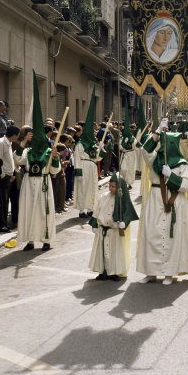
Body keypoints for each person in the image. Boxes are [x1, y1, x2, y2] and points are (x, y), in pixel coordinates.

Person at [136, 118, 188, 285]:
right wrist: (156, 132)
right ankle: (151, 272)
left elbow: (186, 185)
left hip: (175, 201)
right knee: (152, 234)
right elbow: (145, 150)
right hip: (155, 198)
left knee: (173, 237)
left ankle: (170, 272)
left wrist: (171, 176)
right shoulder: (154, 159)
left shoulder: (182, 164)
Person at [15, 72, 61, 251]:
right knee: (28, 212)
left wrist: (56, 157)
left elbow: (55, 171)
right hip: (28, 184)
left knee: (43, 212)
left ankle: (46, 240)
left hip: (43, 184)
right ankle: (30, 240)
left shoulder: (49, 151)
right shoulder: (27, 150)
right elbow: (18, 159)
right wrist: (24, 141)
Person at [88, 172, 139, 281]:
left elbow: (127, 213)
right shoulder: (104, 196)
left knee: (114, 253)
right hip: (102, 229)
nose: (111, 189)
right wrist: (94, 224)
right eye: (110, 186)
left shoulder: (122, 199)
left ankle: (113, 272)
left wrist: (124, 222)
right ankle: (102, 272)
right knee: (101, 252)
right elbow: (97, 210)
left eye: (113, 187)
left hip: (114, 231)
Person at [74, 88, 106, 218]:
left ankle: (91, 208)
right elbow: (76, 158)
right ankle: (82, 210)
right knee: (83, 189)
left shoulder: (93, 144)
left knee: (92, 189)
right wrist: (78, 172)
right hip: (83, 167)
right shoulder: (80, 144)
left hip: (92, 167)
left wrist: (102, 149)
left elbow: (98, 159)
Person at [0, 125, 20, 232]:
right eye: (17, 134)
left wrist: (12, 173)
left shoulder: (9, 143)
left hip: (9, 176)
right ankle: (0, 225)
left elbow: (9, 160)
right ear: (14, 134)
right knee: (2, 202)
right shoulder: (1, 143)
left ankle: (4, 223)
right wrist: (4, 175)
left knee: (5, 201)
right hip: (3, 177)